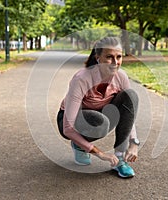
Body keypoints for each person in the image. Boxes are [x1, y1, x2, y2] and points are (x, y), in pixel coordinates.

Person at [57, 37, 140, 178]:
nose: (115, 63)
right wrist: (100, 153)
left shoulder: (121, 77)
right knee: (100, 122)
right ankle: (79, 144)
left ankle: (120, 160)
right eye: (109, 57)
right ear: (98, 58)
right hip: (72, 120)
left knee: (130, 95)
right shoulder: (82, 78)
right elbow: (67, 128)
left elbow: (128, 110)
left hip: (102, 115)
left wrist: (134, 142)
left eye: (119, 57)